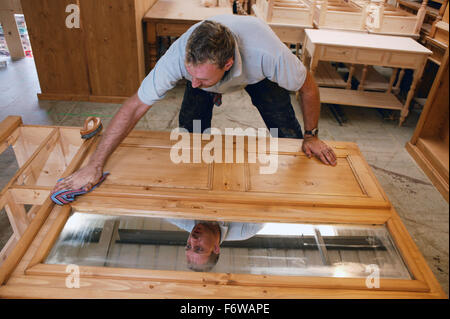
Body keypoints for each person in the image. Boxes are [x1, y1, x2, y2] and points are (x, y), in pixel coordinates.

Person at [53, 14, 337, 194]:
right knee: (190, 132)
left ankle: (302, 188)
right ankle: (193, 183)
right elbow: (134, 107)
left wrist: (312, 135)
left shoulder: (268, 55)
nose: (193, 83)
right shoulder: (182, 57)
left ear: (227, 65)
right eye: (190, 74)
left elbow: (308, 88)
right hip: (211, 68)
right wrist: (94, 164)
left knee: (287, 131)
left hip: (257, 74)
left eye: (201, 78)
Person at [166, 218, 265, 272]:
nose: (192, 239)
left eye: (188, 246)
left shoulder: (177, 217)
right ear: (216, 248)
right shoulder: (246, 228)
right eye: (199, 248)